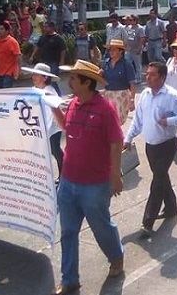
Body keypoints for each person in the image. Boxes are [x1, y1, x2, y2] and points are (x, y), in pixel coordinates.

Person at [51, 60, 125, 295]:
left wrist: (115, 174)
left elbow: (116, 141)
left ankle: (116, 256)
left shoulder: (105, 109)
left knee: (101, 226)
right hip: (68, 182)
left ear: (86, 82)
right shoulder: (73, 103)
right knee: (68, 232)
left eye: (74, 78)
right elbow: (67, 128)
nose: (69, 81)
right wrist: (54, 109)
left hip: (95, 184)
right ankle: (69, 279)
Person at [124, 62, 177, 237]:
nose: (147, 77)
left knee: (157, 183)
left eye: (152, 74)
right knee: (161, 178)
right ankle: (171, 208)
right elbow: (138, 120)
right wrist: (128, 137)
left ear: (162, 77)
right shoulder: (146, 95)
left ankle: (147, 222)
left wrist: (169, 121)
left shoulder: (171, 95)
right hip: (150, 146)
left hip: (167, 145)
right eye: (147, 74)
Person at [22, 63, 63, 183]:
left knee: (55, 149)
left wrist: (46, 130)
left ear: (45, 77)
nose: (33, 76)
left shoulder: (50, 92)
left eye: (36, 74)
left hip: (52, 127)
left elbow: (51, 114)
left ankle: (63, 174)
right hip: (41, 127)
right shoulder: (34, 90)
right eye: (33, 74)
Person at [102, 39, 137, 125]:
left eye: (114, 49)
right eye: (110, 49)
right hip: (108, 94)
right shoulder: (106, 63)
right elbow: (104, 81)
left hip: (121, 96)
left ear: (121, 51)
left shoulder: (127, 64)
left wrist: (132, 99)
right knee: (107, 120)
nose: (111, 51)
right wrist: (100, 75)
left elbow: (132, 83)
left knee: (116, 121)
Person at [31, 21, 67, 94]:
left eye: (46, 27)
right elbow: (38, 47)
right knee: (42, 81)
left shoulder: (58, 38)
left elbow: (63, 50)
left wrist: (61, 61)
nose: (44, 29)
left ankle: (57, 95)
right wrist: (32, 55)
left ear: (52, 28)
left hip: (53, 62)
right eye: (44, 27)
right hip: (44, 62)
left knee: (51, 81)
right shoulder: (43, 37)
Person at [0, 21, 21, 88]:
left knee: (6, 90)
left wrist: (17, 72)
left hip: (9, 72)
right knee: (0, 91)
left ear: (7, 31)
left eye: (2, 29)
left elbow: (18, 58)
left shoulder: (13, 42)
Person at [125, 15, 146, 83]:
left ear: (136, 21)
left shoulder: (140, 28)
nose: (130, 21)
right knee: (127, 63)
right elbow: (128, 38)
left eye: (131, 20)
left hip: (136, 49)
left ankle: (138, 78)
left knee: (137, 64)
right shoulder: (129, 28)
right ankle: (130, 77)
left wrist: (139, 48)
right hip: (129, 49)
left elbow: (142, 39)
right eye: (130, 20)